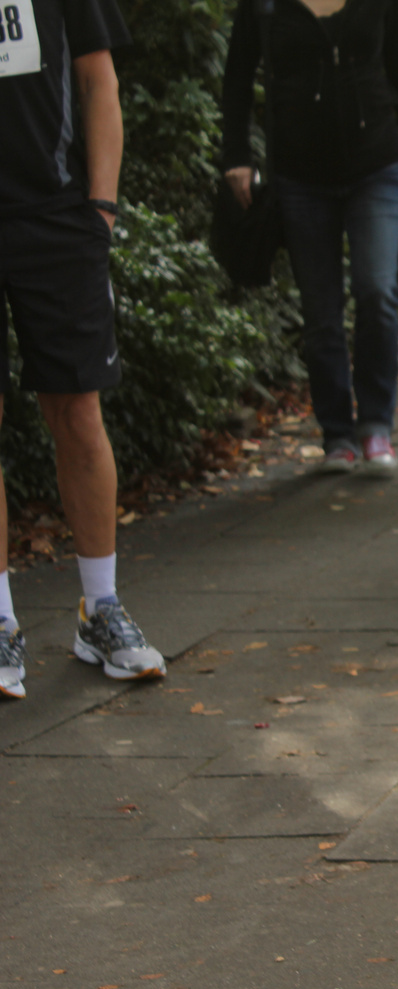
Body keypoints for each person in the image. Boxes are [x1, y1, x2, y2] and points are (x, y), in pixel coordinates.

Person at [0, 0, 169, 697]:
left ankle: (100, 608)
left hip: (58, 219)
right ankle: (1, 620)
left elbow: (100, 80)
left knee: (77, 412)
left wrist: (100, 207)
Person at [221, 0, 398, 475]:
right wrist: (236, 154)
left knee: (377, 291)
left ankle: (375, 425)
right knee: (321, 311)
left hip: (377, 164)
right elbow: (236, 77)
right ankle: (336, 433)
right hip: (298, 175)